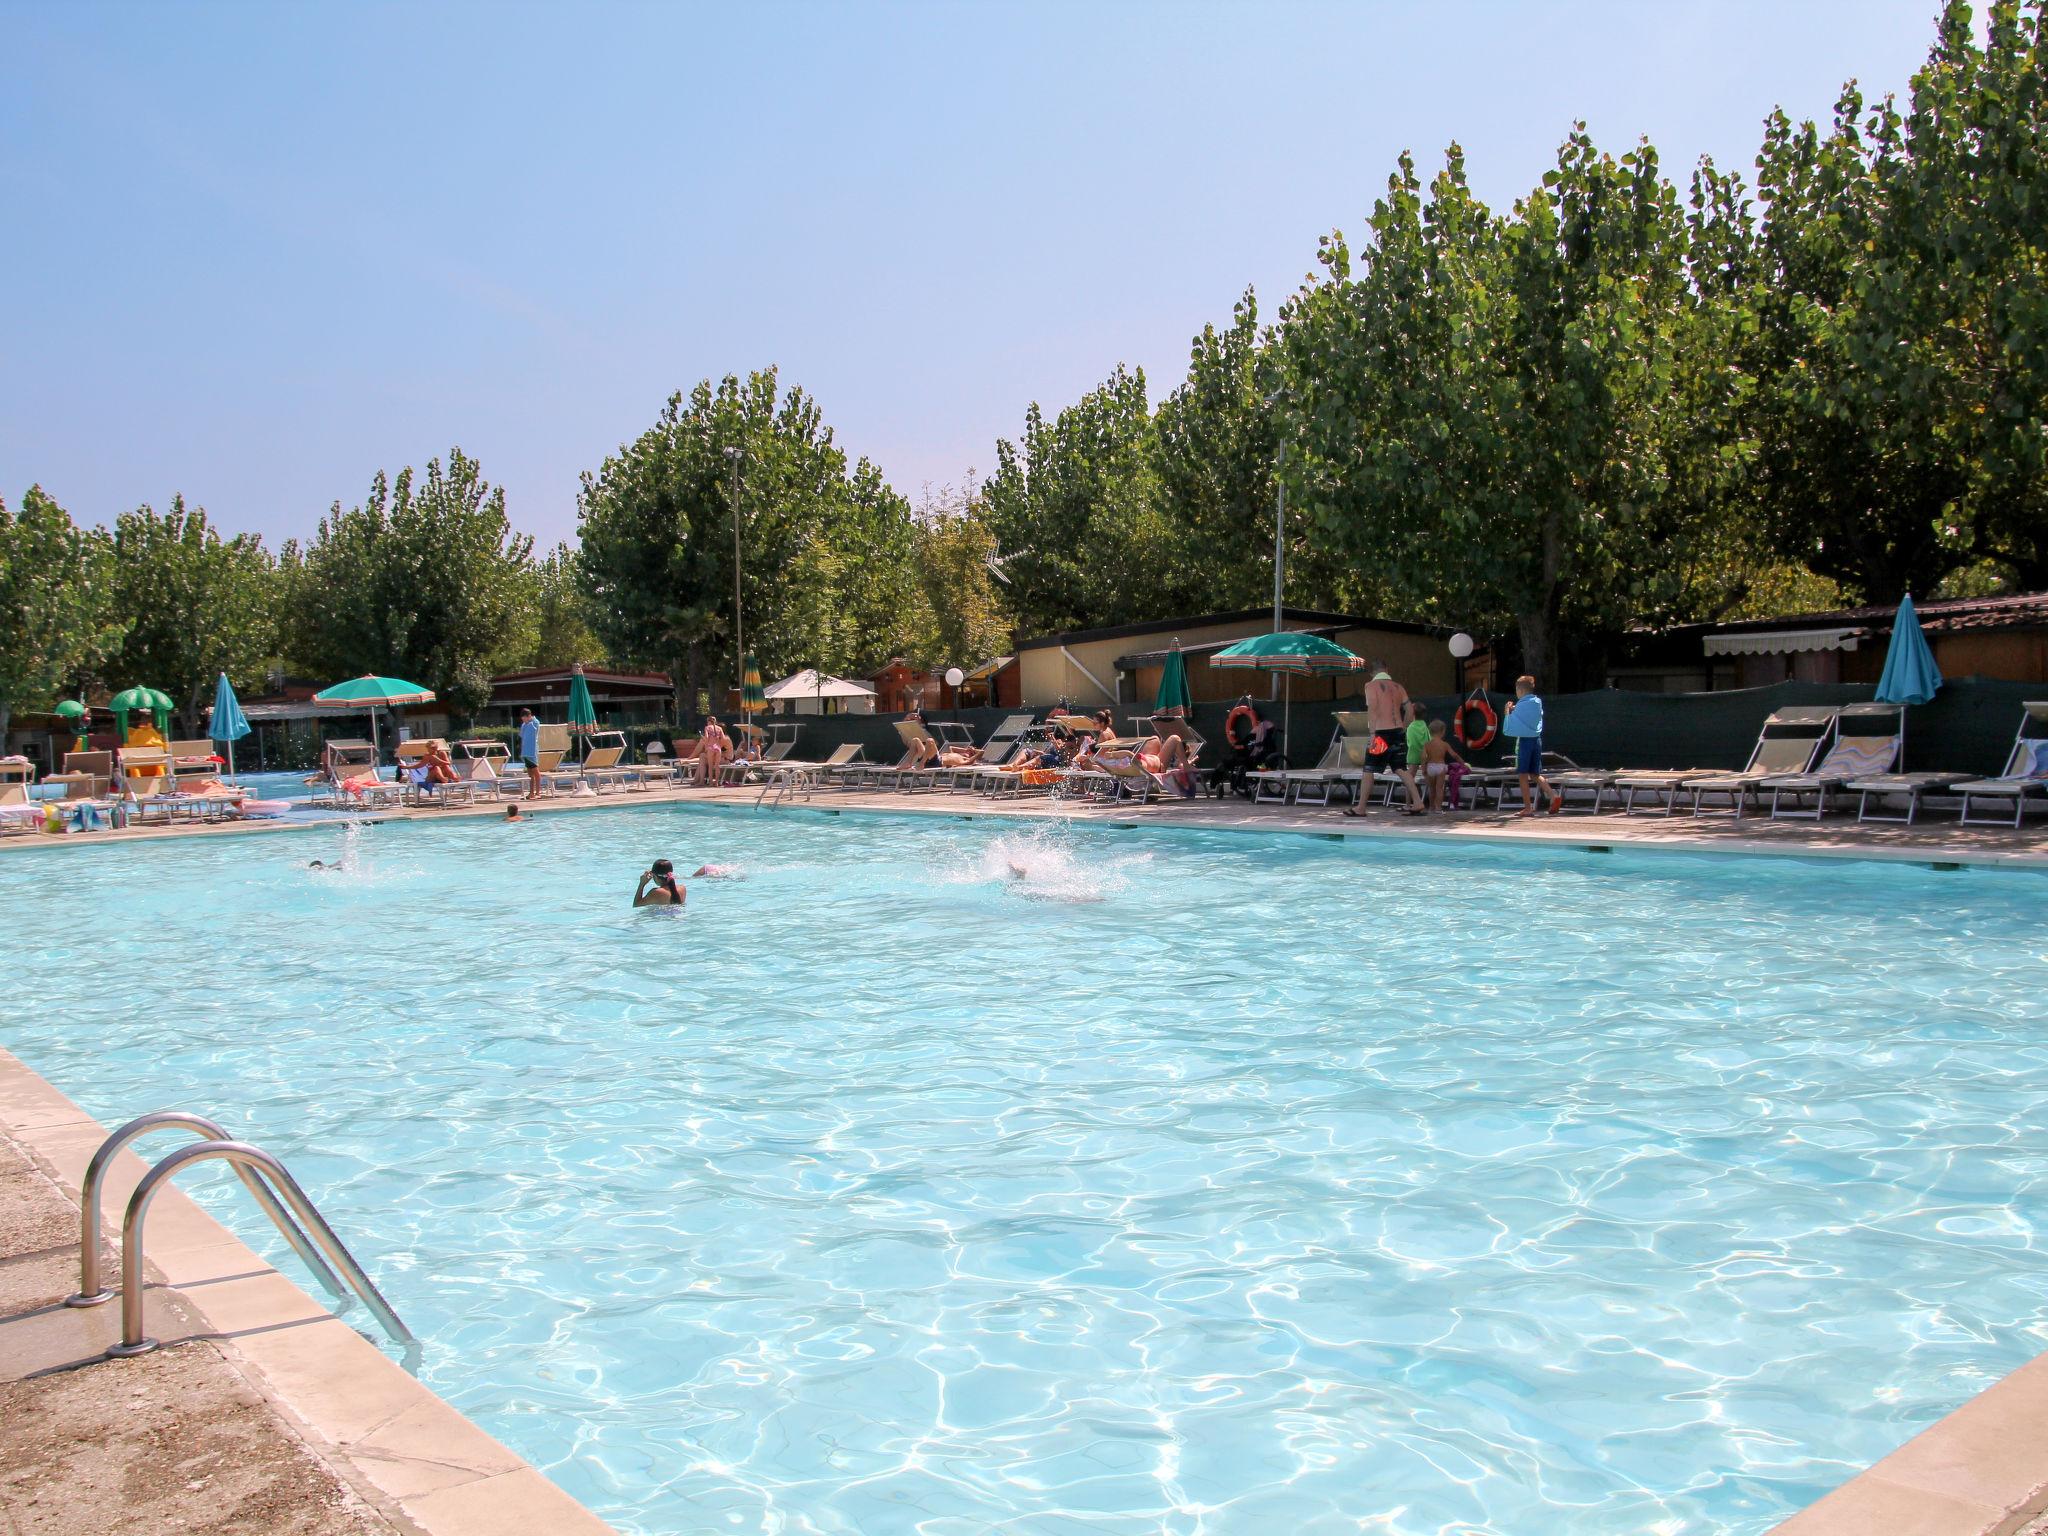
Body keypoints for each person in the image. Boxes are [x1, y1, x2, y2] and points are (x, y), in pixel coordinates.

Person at [1502, 674, 1562, 816]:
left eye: (1517, 691)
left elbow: (1510, 722)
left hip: (1525, 741)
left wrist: (1507, 711)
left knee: (1522, 774)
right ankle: (1553, 796)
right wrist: (1515, 707)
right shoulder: (1537, 702)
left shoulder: (1520, 705)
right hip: (1537, 740)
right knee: (1535, 774)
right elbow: (1529, 710)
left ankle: (1528, 807)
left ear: (1520, 691)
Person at [1361, 661, 1410, 797]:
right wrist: (1403, 727)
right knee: (1400, 768)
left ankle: (1361, 807)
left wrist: (1372, 733)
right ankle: (1417, 802)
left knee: (1368, 768)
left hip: (1380, 734)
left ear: (1371, 673)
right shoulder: (1398, 686)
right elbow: (1410, 709)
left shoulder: (1370, 685)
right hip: (1398, 731)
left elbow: (1372, 708)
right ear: (1387, 670)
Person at [1420, 719, 1465, 814]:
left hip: (1430, 766)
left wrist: (1423, 768)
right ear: (1443, 731)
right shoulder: (1444, 744)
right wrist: (1462, 763)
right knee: (1439, 788)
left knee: (1431, 788)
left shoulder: (1427, 744)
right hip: (1440, 766)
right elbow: (1454, 755)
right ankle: (1438, 808)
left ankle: (1431, 807)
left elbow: (1423, 757)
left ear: (1430, 732)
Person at [1398, 701, 1429, 814]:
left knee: (1409, 780)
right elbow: (1428, 739)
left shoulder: (1410, 727)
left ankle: (1408, 804)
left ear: (1413, 714)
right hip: (1424, 754)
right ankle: (1432, 803)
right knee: (1427, 779)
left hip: (1413, 755)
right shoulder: (1424, 725)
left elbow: (1410, 742)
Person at [518, 708, 541, 798]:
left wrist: (531, 720)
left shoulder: (535, 722)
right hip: (526, 751)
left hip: (532, 751)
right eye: (522, 719)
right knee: (530, 774)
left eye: (525, 718)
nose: (524, 720)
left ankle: (538, 793)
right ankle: (531, 793)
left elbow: (535, 726)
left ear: (529, 716)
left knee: (536, 772)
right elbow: (522, 736)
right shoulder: (524, 724)